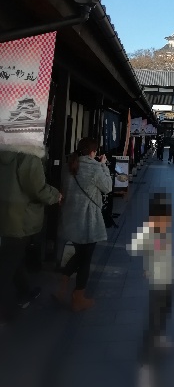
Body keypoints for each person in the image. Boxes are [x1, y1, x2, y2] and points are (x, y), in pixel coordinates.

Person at [0, 142, 61, 324]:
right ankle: (5, 311)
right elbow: (37, 189)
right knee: (7, 266)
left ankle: (25, 292)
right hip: (20, 218)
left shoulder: (5, 152)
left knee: (11, 257)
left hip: (4, 213)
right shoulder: (28, 156)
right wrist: (55, 195)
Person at [54, 137, 112, 312]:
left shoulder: (68, 165)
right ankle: (78, 298)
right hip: (88, 220)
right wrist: (103, 165)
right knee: (85, 259)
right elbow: (108, 187)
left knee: (80, 255)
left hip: (70, 216)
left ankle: (62, 288)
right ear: (93, 152)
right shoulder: (94, 167)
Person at [127, 192, 174, 384]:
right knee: (154, 320)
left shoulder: (164, 230)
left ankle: (160, 337)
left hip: (169, 279)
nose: (166, 221)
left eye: (167, 217)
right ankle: (144, 365)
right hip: (157, 283)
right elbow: (133, 248)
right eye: (162, 217)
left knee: (166, 310)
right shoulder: (149, 231)